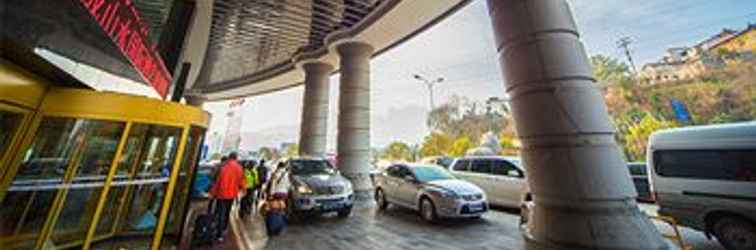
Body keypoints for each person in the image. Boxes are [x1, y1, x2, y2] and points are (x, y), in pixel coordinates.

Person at [209, 152, 246, 242]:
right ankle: (224, 228)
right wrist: (244, 190)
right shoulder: (239, 168)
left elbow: (217, 181)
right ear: (236, 158)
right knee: (227, 211)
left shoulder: (223, 166)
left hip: (221, 193)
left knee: (220, 212)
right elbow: (242, 181)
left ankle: (219, 233)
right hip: (232, 194)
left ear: (229, 157)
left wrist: (212, 193)